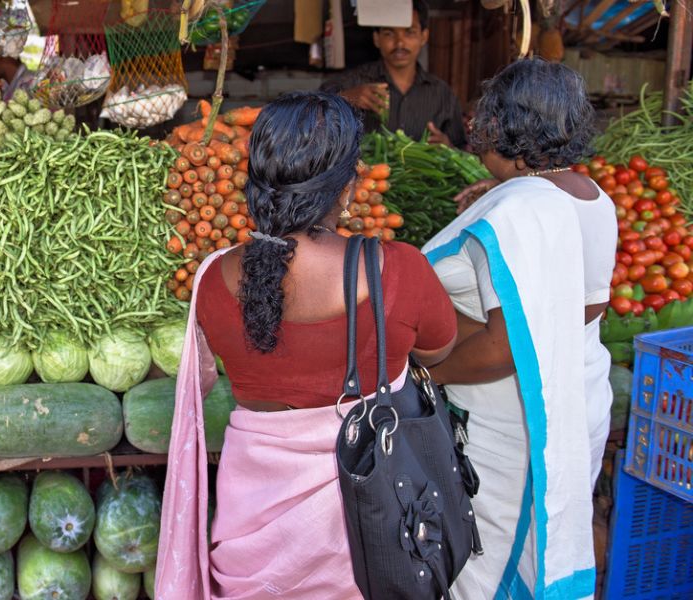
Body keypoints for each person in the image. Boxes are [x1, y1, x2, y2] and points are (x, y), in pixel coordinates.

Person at [155, 92, 457, 599]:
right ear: (346, 189)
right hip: (369, 525)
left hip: (247, 524)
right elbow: (438, 351)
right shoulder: (398, 271)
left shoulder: (211, 280)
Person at [422, 59, 614, 600]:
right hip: (576, 400)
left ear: (504, 125)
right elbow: (586, 308)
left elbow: (506, 347)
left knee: (490, 564)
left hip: (508, 425)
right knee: (540, 543)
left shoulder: (519, 211)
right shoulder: (591, 197)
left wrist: (429, 371)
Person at [321, 0, 466, 147]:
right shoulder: (352, 83)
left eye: (409, 32)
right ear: (377, 39)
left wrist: (449, 148)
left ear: (424, 36)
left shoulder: (442, 94)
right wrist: (344, 99)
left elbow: (462, 150)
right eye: (389, 33)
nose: (400, 44)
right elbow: (307, 119)